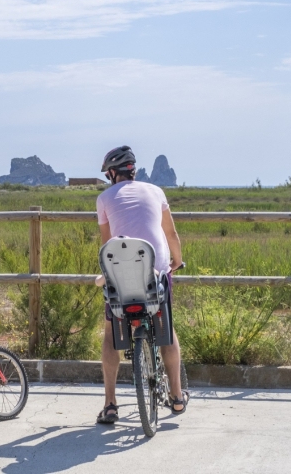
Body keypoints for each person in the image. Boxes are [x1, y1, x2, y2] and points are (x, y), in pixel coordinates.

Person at [94, 145, 188, 424]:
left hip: (120, 274)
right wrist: (177, 261)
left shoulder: (103, 198)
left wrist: (105, 274)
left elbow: (107, 244)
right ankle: (177, 396)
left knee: (111, 333)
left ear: (113, 173)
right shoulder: (156, 191)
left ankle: (110, 404)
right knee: (167, 330)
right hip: (155, 271)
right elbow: (170, 233)